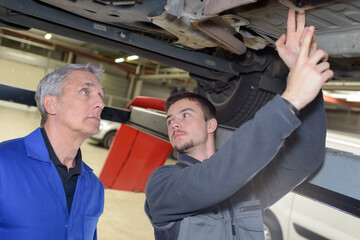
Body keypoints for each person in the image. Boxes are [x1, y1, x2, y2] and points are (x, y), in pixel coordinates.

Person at [144, 9, 334, 240]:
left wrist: (303, 77)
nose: (173, 124)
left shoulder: (248, 187)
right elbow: (216, 178)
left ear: (211, 124)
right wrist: (291, 99)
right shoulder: (162, 183)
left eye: (185, 115)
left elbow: (305, 158)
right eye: (170, 120)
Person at [0, 64, 106, 240]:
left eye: (101, 95)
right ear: (51, 104)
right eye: (86, 92)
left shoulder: (94, 188)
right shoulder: (4, 163)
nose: (101, 104)